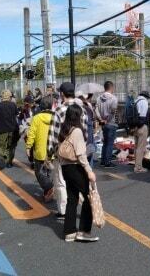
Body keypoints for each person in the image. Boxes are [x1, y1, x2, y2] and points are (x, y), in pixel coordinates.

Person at [58, 104, 98, 243]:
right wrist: (89, 171)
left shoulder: (64, 129)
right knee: (88, 198)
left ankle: (69, 232)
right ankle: (83, 231)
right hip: (75, 168)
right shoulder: (77, 132)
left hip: (65, 168)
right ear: (78, 116)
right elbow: (81, 155)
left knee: (72, 198)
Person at [48, 82, 88, 220]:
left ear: (62, 94)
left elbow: (53, 134)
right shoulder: (81, 110)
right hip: (78, 151)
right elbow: (86, 132)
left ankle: (64, 211)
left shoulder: (59, 110)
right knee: (78, 180)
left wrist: (50, 152)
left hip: (62, 152)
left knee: (61, 181)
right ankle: (83, 206)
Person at [25, 95, 55, 202]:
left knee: (39, 173)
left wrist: (28, 147)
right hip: (52, 151)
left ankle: (49, 187)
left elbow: (31, 134)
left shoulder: (37, 118)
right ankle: (48, 193)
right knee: (47, 172)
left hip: (40, 150)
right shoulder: (55, 117)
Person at [0, 90, 19, 168]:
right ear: (9, 97)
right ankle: (9, 162)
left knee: (1, 145)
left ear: (2, 96)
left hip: (2, 129)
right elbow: (16, 116)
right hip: (13, 128)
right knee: (12, 146)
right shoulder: (13, 105)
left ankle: (2, 158)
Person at [96, 81, 118, 168]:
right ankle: (107, 162)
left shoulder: (98, 98)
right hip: (111, 123)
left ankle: (103, 160)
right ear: (111, 88)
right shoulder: (113, 98)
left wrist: (100, 119)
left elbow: (96, 110)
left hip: (102, 123)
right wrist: (107, 119)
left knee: (105, 142)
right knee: (110, 143)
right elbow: (113, 111)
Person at [77, 91, 97, 167]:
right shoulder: (87, 107)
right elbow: (93, 118)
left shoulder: (82, 107)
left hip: (84, 135)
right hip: (87, 134)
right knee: (89, 153)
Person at [133, 91, 150, 173]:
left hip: (135, 126)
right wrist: (141, 125)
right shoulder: (144, 102)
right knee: (141, 147)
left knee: (136, 147)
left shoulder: (136, 101)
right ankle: (138, 167)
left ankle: (136, 164)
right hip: (142, 127)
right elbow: (142, 116)